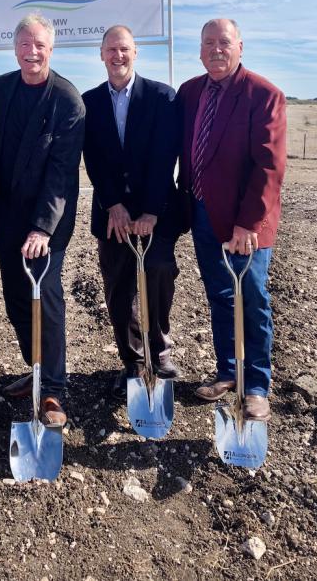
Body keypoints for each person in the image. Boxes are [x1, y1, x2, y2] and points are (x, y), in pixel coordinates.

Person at [177, 18, 286, 421]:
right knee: (220, 294)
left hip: (247, 223)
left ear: (240, 46)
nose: (216, 50)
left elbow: (269, 166)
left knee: (251, 298)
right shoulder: (190, 92)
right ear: (200, 49)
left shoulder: (263, 94)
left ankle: (256, 384)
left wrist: (248, 224)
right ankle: (228, 370)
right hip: (203, 212)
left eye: (224, 42)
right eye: (208, 43)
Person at [0, 14, 85, 427]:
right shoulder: (1, 87)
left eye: (40, 45)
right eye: (25, 45)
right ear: (15, 49)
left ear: (52, 49)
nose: (32, 52)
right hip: (7, 217)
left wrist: (43, 228)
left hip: (47, 224)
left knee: (45, 299)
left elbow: (62, 173)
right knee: (15, 297)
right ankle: (35, 368)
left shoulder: (67, 99)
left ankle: (53, 390)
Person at [83, 25, 181, 399]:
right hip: (112, 215)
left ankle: (160, 349)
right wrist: (113, 204)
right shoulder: (89, 102)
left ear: (135, 53)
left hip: (154, 210)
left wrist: (151, 212)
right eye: (111, 50)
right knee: (119, 287)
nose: (117, 56)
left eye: (124, 49)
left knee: (157, 270)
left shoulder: (161, 97)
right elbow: (92, 158)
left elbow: (165, 157)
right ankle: (133, 360)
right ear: (102, 54)